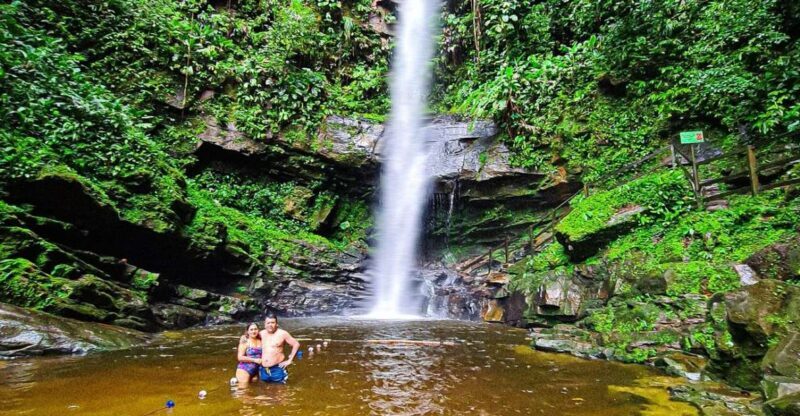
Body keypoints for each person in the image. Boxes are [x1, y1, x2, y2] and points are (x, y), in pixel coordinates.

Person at [258, 313, 300, 383]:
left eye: (272, 323)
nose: (270, 325)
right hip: (264, 369)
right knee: (264, 390)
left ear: (276, 324)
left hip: (277, 368)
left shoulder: (282, 334)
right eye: (268, 323)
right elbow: (249, 339)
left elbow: (296, 344)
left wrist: (289, 360)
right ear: (264, 324)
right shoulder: (261, 334)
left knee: (280, 391)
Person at [235, 322, 263, 387]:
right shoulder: (245, 342)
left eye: (255, 329)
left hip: (257, 370)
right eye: (251, 329)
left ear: (258, 330)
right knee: (244, 392)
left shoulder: (261, 340)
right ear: (247, 331)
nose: (254, 331)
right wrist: (254, 360)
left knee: (254, 390)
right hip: (245, 369)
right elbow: (240, 357)